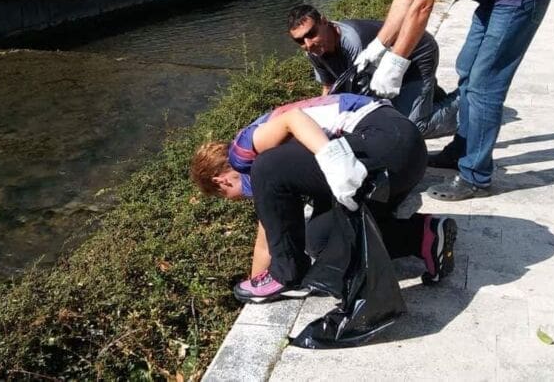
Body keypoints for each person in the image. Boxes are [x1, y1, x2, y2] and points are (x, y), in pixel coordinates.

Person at [354, 0, 553, 201]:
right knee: (467, 69)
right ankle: (462, 148)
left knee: (485, 83)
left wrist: (395, 64)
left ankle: (476, 176)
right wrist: (377, 47)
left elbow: (423, 5)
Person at [190, 93, 457, 303]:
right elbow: (269, 238)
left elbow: (293, 118)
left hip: (386, 141)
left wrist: (334, 159)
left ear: (221, 181)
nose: (237, 199)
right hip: (401, 160)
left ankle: (287, 276)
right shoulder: (282, 171)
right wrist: (256, 281)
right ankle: (422, 235)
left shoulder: (244, 148)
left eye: (226, 196)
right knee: (321, 241)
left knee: (266, 167)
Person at [286, 4, 458, 138]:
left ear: (324, 21)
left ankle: (469, 103)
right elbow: (329, 87)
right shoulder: (314, 51)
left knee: (412, 126)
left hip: (416, 54)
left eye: (312, 33)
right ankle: (441, 101)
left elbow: (366, 98)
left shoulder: (353, 42)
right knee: (417, 106)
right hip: (386, 69)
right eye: (300, 41)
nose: (308, 44)